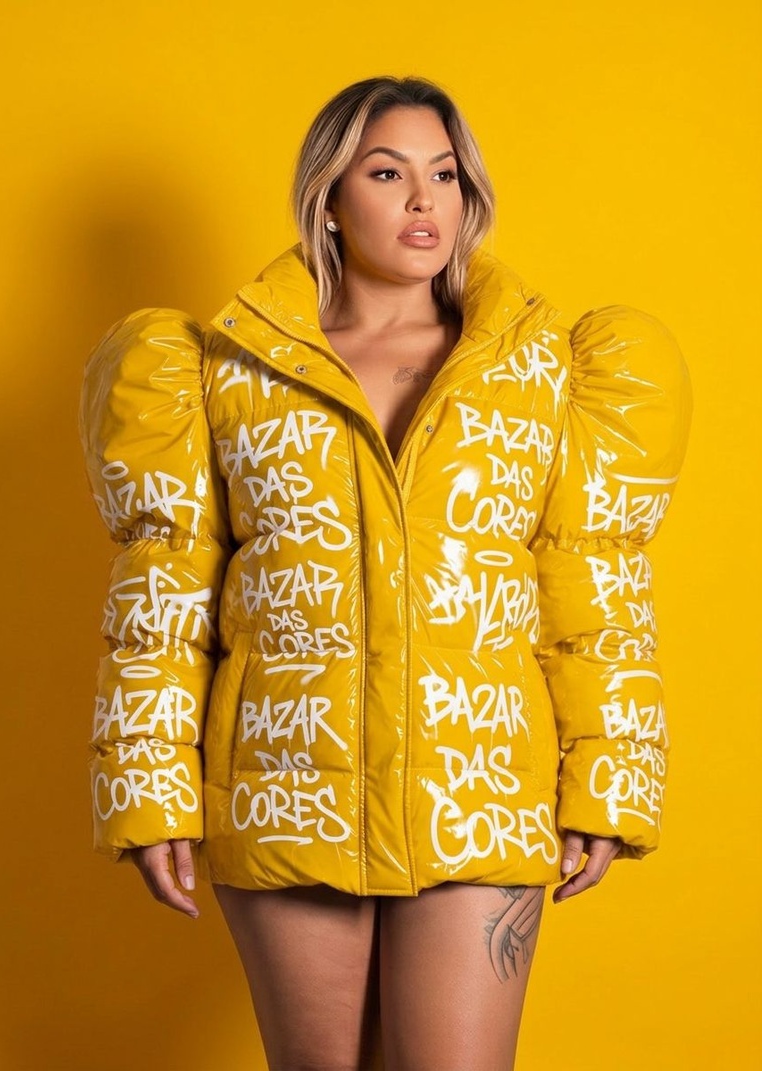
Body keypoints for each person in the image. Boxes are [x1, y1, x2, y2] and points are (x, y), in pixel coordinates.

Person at [79, 76, 693, 1071]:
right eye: (385, 172)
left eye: (443, 175)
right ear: (328, 197)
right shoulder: (225, 372)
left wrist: (610, 779)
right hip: (287, 780)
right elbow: (165, 597)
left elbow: (596, 590)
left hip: (478, 779)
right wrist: (148, 788)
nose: (422, 200)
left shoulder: (542, 369)